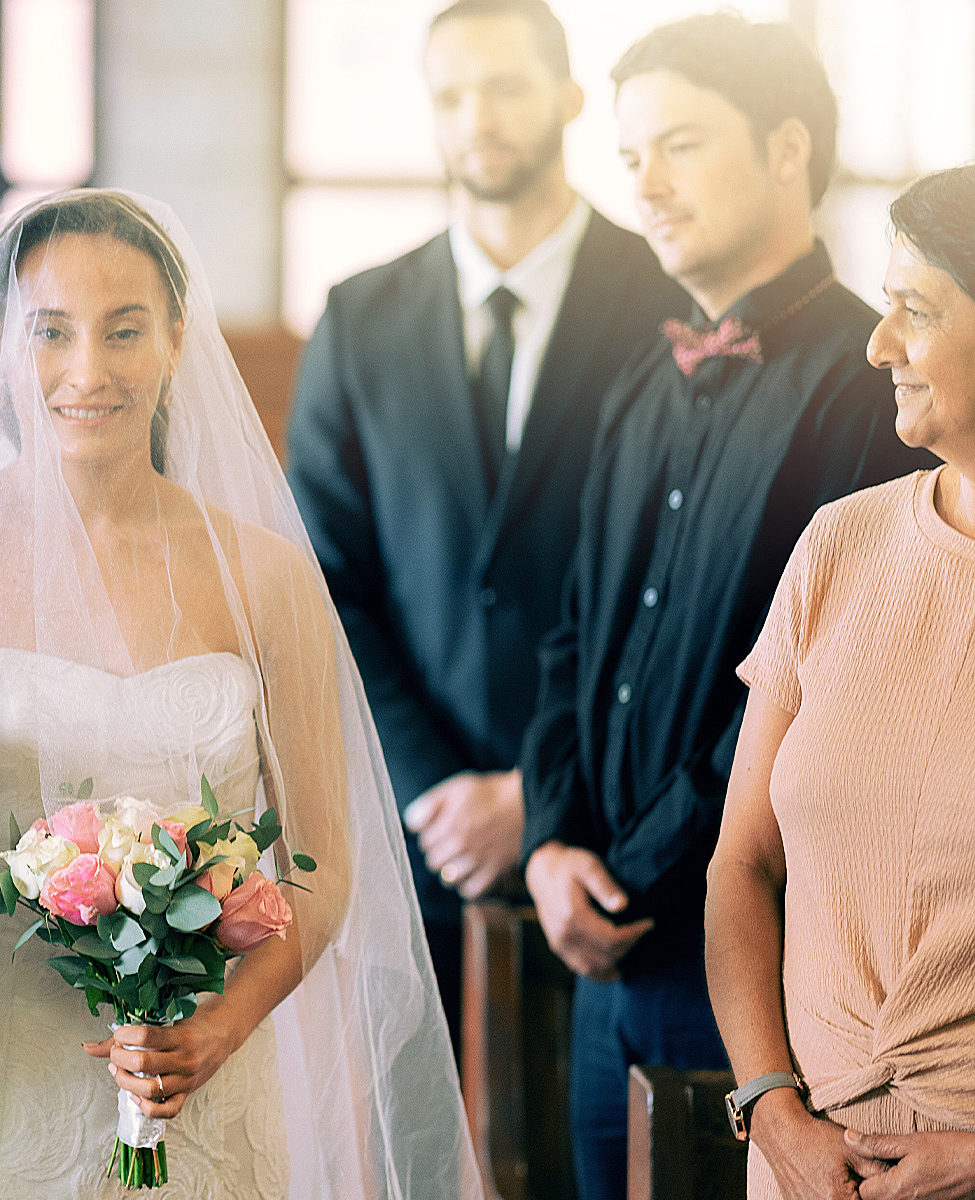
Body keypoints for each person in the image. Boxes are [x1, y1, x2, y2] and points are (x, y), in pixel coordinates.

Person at [0, 189, 479, 1199]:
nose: (89, 371)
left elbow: (320, 864)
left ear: (175, 339)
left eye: (125, 330)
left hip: (199, 1073)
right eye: (51, 333)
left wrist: (220, 1026)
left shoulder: (264, 574)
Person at [517, 16, 936, 1199]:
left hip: (765, 967)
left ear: (787, 146)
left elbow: (830, 704)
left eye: (682, 144)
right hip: (596, 952)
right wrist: (554, 844)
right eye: (631, 152)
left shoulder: (877, 394)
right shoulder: (638, 380)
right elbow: (573, 635)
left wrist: (638, 874)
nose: (643, 183)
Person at [286, 0, 688, 1043]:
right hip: (411, 837)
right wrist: (433, 789)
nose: (478, 116)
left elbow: (681, 588)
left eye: (505, 85)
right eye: (451, 93)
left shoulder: (667, 304)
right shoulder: (357, 318)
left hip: (613, 838)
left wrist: (533, 794)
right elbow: (323, 580)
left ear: (565, 98)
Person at [707, 164, 975, 1200]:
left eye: (916, 310)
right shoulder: (839, 546)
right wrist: (772, 1111)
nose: (879, 345)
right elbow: (740, 864)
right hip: (807, 1166)